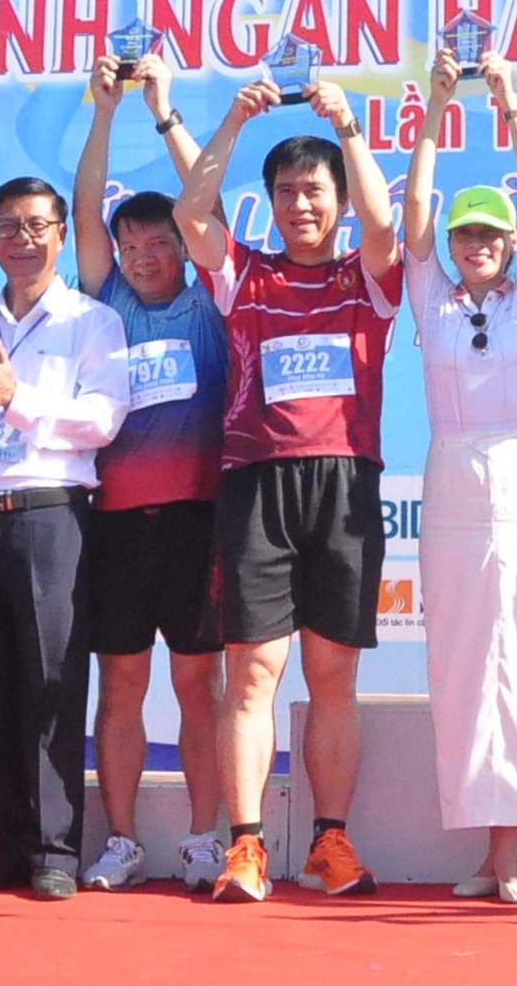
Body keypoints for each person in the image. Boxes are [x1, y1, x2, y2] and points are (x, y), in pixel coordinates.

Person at [175, 69, 403, 903]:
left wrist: (347, 127)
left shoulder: (369, 276)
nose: (299, 203)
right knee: (253, 674)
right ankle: (245, 847)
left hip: (344, 483)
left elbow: (385, 223)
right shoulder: (246, 275)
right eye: (284, 192)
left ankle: (329, 843)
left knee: (332, 675)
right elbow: (190, 216)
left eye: (313, 190)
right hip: (256, 486)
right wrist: (234, 117)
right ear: (268, 202)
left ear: (336, 198)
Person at [402, 49, 517, 905]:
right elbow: (412, 212)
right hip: (454, 476)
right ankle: (485, 847)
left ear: (507, 244)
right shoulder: (430, 295)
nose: (476, 245)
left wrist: (510, 107)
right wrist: (435, 111)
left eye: (489, 234)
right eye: (466, 233)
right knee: (466, 660)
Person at [70, 53, 230, 893]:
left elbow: (199, 199)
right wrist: (103, 111)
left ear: (182, 244)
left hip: (199, 519)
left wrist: (164, 112)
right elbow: (82, 213)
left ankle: (207, 837)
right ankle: (124, 838)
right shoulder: (109, 306)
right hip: (118, 524)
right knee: (122, 680)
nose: (138, 255)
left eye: (155, 241)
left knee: (197, 682)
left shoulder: (210, 300)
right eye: (128, 244)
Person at [0, 175, 127, 898]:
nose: (21, 240)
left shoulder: (91, 320)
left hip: (51, 513)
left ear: (61, 232)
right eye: (8, 228)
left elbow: (101, 419)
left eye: (35, 225)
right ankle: (10, 841)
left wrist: (13, 398)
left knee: (52, 681)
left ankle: (57, 847)